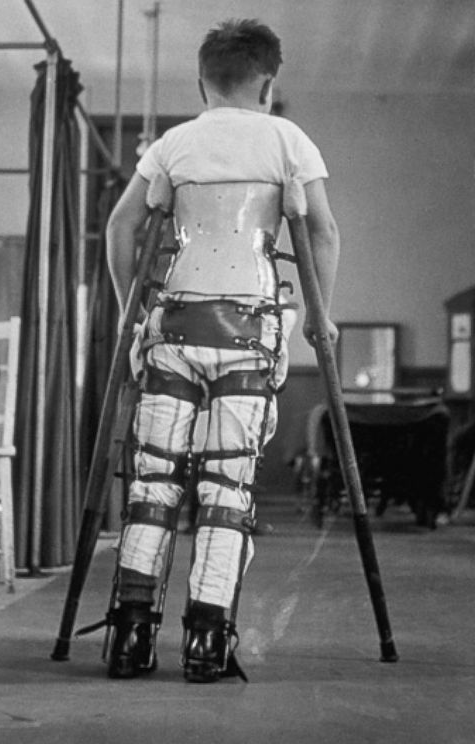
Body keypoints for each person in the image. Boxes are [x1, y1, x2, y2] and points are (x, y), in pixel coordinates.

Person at [102, 18, 340, 683]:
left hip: (172, 327)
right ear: (270, 82)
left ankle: (129, 636)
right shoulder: (287, 138)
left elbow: (124, 225)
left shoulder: (175, 143)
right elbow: (321, 232)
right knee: (226, 490)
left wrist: (133, 307)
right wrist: (322, 317)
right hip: (250, 329)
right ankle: (207, 640)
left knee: (152, 485)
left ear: (200, 81)